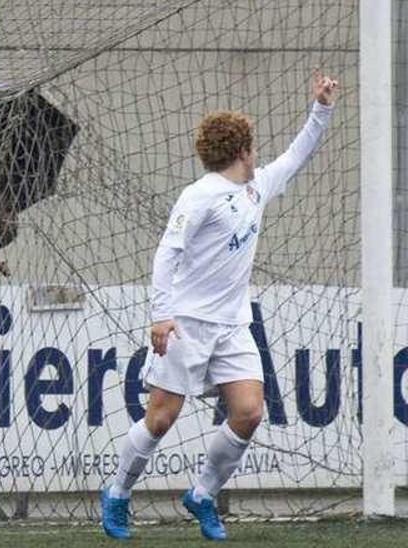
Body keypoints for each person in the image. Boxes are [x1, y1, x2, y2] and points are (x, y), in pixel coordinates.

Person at [101, 72, 338, 541]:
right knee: (161, 418)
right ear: (242, 151)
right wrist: (160, 315)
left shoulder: (256, 188)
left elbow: (297, 154)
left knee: (249, 412)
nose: (258, 155)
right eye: (253, 147)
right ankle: (118, 493)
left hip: (233, 326)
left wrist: (322, 108)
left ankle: (203, 494)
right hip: (187, 324)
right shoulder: (200, 195)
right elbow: (167, 252)